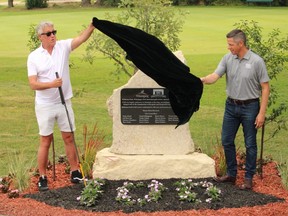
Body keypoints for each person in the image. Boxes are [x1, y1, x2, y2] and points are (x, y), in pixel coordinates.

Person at [27, 20, 95, 191]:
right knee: (45, 140)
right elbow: (33, 84)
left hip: (64, 102)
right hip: (45, 105)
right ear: (40, 37)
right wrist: (52, 84)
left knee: (69, 137)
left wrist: (91, 27)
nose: (53, 36)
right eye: (49, 34)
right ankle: (42, 177)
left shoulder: (62, 47)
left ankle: (75, 172)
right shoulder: (34, 56)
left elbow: (80, 39)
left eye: (54, 32)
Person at [201, 29, 270, 190]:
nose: (228, 47)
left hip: (250, 107)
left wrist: (261, 113)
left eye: (231, 44)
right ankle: (231, 175)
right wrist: (201, 80)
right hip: (231, 106)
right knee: (226, 140)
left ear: (241, 44)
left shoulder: (256, 61)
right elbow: (215, 76)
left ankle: (248, 178)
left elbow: (265, 88)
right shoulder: (227, 58)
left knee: (250, 144)